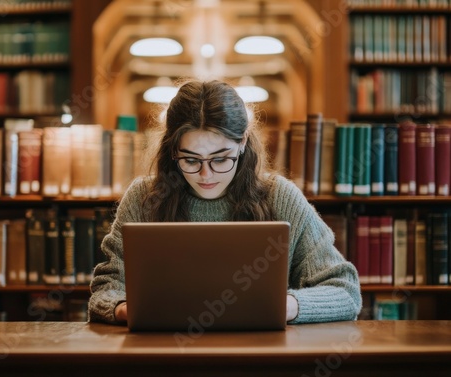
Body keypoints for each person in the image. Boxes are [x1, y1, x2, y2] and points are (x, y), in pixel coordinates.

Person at [88, 79, 362, 324]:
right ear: (172, 149)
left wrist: (286, 306)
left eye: (221, 158)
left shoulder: (280, 197)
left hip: (262, 359)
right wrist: (126, 309)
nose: (206, 175)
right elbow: (106, 288)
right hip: (164, 356)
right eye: (191, 160)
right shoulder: (143, 198)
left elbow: (345, 292)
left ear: (242, 141)